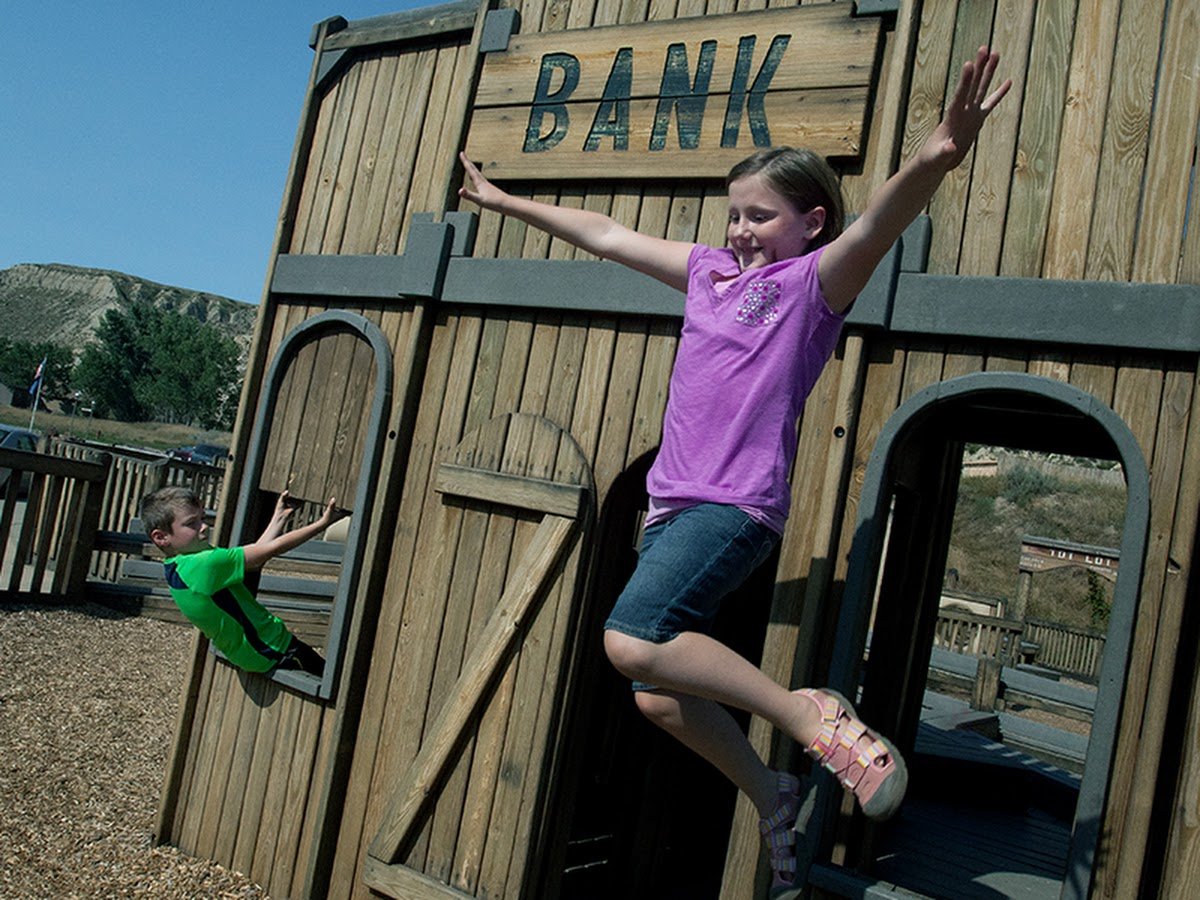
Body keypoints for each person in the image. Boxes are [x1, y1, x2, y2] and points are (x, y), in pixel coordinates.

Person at [459, 46, 1010, 892]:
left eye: (760, 216)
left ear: (810, 222)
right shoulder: (707, 274)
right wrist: (505, 203)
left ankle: (810, 717)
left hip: (735, 504)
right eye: (734, 215)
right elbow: (606, 234)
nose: (740, 230)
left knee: (630, 638)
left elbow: (878, 224)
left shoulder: (811, 287)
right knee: (657, 694)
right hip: (669, 509)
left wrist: (936, 157)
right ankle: (771, 791)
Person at [140, 485, 347, 677]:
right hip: (274, 648)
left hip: (249, 654)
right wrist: (323, 523)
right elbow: (272, 549)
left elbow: (257, 553)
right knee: (334, 684)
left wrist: (279, 517)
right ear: (161, 537)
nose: (203, 527)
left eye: (202, 518)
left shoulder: (179, 566)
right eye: (191, 523)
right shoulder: (203, 564)